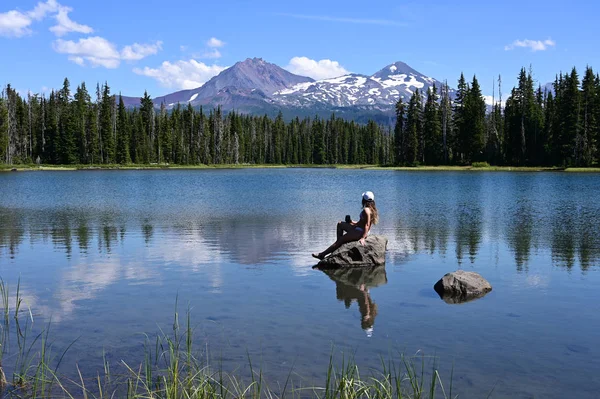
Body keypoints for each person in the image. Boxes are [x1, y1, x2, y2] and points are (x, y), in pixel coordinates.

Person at [312, 191, 379, 260]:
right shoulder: (371, 209)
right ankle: (337, 245)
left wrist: (362, 237)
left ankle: (322, 254)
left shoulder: (366, 210)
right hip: (360, 228)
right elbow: (361, 223)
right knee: (340, 224)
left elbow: (367, 225)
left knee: (341, 239)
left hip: (361, 232)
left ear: (364, 199)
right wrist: (351, 221)